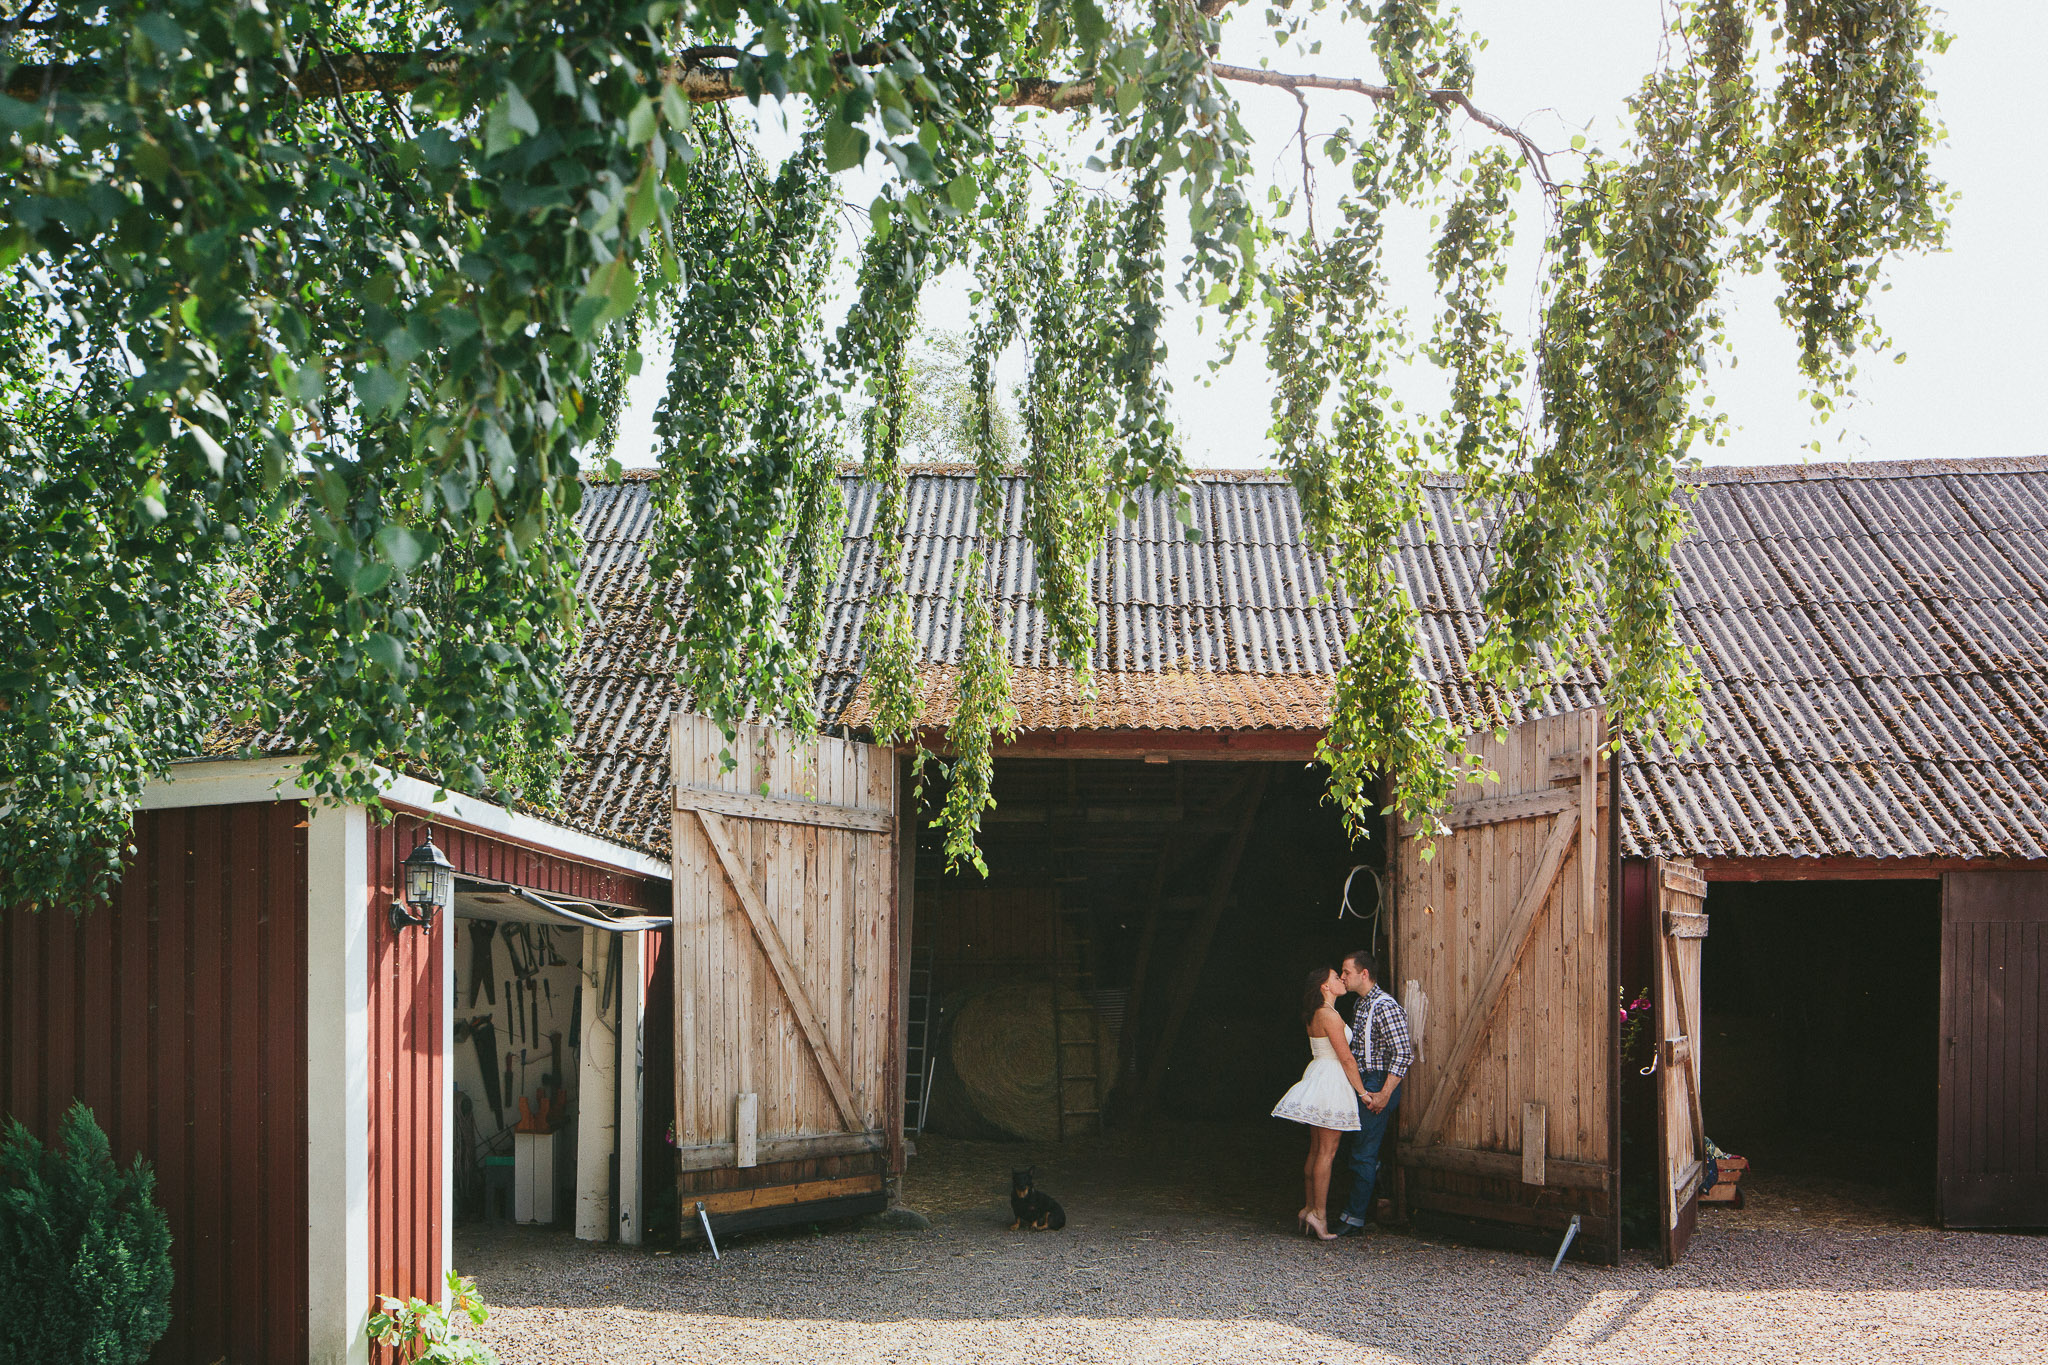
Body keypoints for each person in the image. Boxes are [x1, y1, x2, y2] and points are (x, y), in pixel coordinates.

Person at [1270, 965, 1373, 1240]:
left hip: (1318, 1074)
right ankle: (1319, 1214)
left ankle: (1309, 1207)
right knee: (1327, 1151)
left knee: (1317, 1150)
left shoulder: (1316, 1014)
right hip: (1331, 1080)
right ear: (1324, 986)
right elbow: (1346, 1058)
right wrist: (1363, 1093)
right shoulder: (1329, 1015)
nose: (1341, 980)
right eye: (1336, 977)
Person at [1334, 948, 1414, 1235]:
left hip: (1378, 1083)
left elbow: (1403, 1053)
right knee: (1356, 1147)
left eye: (1346, 972)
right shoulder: (1360, 1004)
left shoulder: (1384, 1006)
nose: (1342, 977)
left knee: (1362, 1153)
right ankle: (1376, 1184)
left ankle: (1353, 1218)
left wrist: (1384, 1093)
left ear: (1364, 974)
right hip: (1362, 1082)